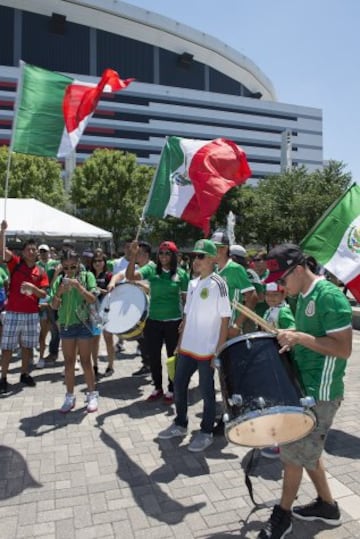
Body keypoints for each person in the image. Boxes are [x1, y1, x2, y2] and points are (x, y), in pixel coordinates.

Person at [257, 243, 352, 539]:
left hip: (321, 393)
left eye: (283, 280)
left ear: (299, 269)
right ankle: (328, 506)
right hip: (304, 385)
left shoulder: (329, 296)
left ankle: (282, 515)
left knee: (292, 454)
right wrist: (291, 343)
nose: (281, 287)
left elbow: (344, 349)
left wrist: (301, 337)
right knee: (307, 453)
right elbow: (311, 340)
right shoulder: (304, 296)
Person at [158, 239, 231, 452]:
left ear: (212, 259)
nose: (195, 261)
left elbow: (225, 319)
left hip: (207, 350)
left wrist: (219, 351)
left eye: (200, 256)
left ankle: (206, 432)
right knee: (179, 386)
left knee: (208, 393)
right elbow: (187, 317)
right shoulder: (192, 283)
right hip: (188, 347)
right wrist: (179, 345)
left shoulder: (219, 284)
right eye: (194, 256)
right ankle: (180, 424)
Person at [126, 240, 189, 403]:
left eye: (167, 253)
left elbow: (186, 301)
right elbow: (130, 276)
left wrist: (185, 321)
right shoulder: (151, 269)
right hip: (153, 321)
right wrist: (133, 256)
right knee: (153, 357)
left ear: (174, 256)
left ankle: (172, 389)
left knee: (172, 358)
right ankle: (158, 388)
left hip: (174, 322)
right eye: (161, 252)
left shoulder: (181, 274)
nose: (163, 256)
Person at [0, 221, 49, 394]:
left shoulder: (40, 272)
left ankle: (24, 373)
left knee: (27, 346)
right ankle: (3, 377)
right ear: (23, 251)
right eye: (29, 249)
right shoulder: (15, 263)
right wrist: (2, 232)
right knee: (7, 347)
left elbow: (44, 295)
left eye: (34, 249)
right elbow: (1, 251)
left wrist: (33, 288)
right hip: (13, 312)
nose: (32, 251)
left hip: (31, 314)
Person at [50, 250, 99, 413]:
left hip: (83, 324)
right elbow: (53, 306)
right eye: (66, 268)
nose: (69, 271)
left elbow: (92, 299)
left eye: (72, 267)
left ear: (78, 264)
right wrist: (59, 292)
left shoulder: (87, 277)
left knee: (86, 361)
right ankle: (69, 396)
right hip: (66, 326)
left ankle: (92, 394)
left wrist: (79, 287)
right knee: (69, 363)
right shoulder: (59, 281)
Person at [261, 282, 296, 459]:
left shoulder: (284, 311)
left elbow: (292, 330)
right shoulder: (269, 311)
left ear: (283, 296)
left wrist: (279, 332)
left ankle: (280, 441)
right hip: (271, 359)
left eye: (275, 295)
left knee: (280, 400)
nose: (271, 298)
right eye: (268, 295)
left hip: (281, 360)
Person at [211, 230, 257, 338]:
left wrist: (237, 324)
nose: (211, 251)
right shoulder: (215, 269)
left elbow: (253, 297)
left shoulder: (235, 269)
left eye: (214, 247)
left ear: (224, 248)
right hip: (217, 326)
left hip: (230, 327)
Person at [89, 253, 114, 378]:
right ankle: (95, 366)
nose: (97, 263)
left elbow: (113, 292)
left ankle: (110, 366)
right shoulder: (89, 275)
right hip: (93, 311)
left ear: (104, 262)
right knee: (94, 340)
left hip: (106, 311)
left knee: (108, 338)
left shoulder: (109, 276)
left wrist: (100, 290)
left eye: (100, 260)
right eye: (95, 261)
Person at [36, 244, 60, 368]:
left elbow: (56, 281)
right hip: (40, 299)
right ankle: (41, 356)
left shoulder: (56, 263)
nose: (43, 253)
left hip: (52, 299)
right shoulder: (36, 265)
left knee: (55, 328)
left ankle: (54, 353)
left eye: (45, 251)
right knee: (43, 330)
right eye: (41, 251)